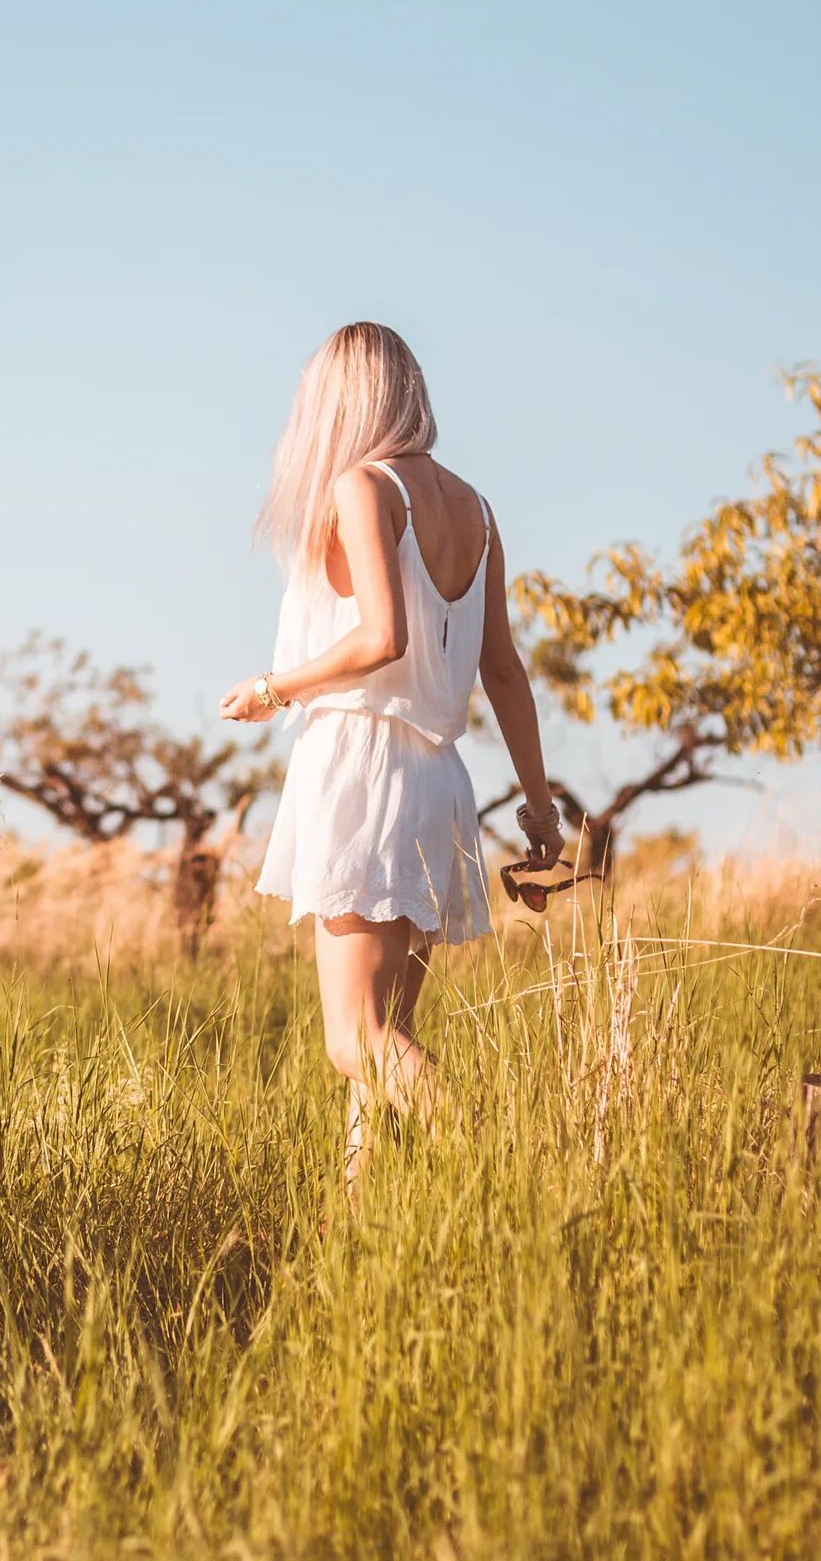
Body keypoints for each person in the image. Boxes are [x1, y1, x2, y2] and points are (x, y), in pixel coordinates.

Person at [219, 321, 563, 1182]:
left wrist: (274, 688)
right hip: (436, 777)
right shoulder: (474, 508)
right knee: (381, 1061)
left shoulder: (360, 487)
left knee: (356, 1039)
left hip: (361, 767)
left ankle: (504, 1177)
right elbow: (505, 671)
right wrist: (540, 806)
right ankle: (360, 1236)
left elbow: (381, 636)